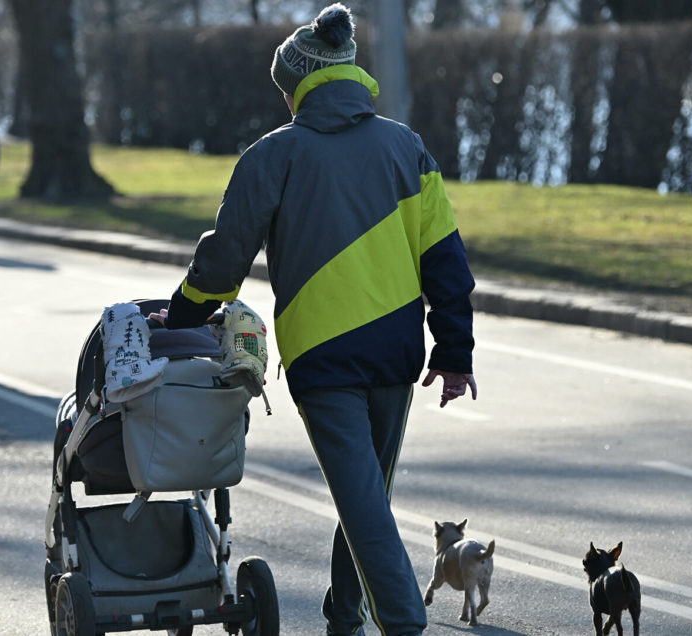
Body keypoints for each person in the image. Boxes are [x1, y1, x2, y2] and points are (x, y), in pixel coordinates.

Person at [154, 5, 477, 635]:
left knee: (363, 502)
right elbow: (446, 261)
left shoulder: (275, 154)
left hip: (324, 361)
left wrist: (184, 314)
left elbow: (223, 261)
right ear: (349, 73)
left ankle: (404, 626)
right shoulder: (405, 147)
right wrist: (454, 351)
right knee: (367, 498)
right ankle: (344, 616)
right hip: (394, 354)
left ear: (296, 86)